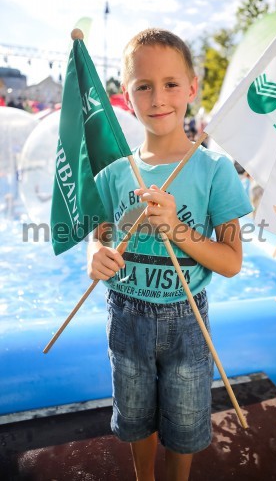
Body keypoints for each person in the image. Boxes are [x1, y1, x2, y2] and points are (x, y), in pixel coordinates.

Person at [87, 28, 252, 481]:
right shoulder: (116, 172)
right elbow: (100, 232)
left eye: (171, 84)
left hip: (187, 322)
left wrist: (177, 229)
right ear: (127, 95)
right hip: (124, 316)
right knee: (135, 416)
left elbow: (232, 261)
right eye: (143, 86)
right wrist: (96, 252)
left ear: (192, 86)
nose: (158, 97)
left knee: (184, 424)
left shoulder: (215, 170)